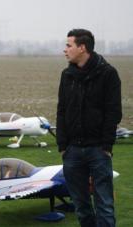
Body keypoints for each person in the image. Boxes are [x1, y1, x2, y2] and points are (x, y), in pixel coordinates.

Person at [56, 28, 122, 227]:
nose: (64, 50)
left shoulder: (108, 74)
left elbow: (113, 112)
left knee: (105, 206)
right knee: (81, 207)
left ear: (82, 48)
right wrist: (63, 145)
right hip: (72, 151)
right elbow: (62, 111)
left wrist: (106, 146)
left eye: (69, 45)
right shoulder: (67, 75)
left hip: (98, 150)